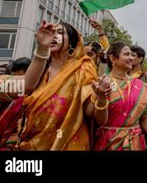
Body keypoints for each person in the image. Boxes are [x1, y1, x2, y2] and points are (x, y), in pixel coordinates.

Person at [17, 21, 98, 150]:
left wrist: (100, 96)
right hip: (33, 142)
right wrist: (42, 47)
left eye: (60, 32)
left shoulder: (84, 67)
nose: (54, 36)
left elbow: (89, 110)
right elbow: (24, 87)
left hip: (69, 142)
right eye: (51, 32)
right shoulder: (40, 69)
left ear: (71, 42)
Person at [92, 42, 147, 151]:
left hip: (134, 144)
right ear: (113, 58)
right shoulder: (102, 84)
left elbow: (144, 119)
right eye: (126, 54)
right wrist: (101, 97)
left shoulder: (140, 86)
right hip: (109, 143)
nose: (131, 58)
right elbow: (100, 121)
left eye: (132, 55)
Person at [0, 57, 31, 150]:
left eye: (22, 78)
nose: (19, 82)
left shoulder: (34, 97)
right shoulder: (2, 91)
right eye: (14, 76)